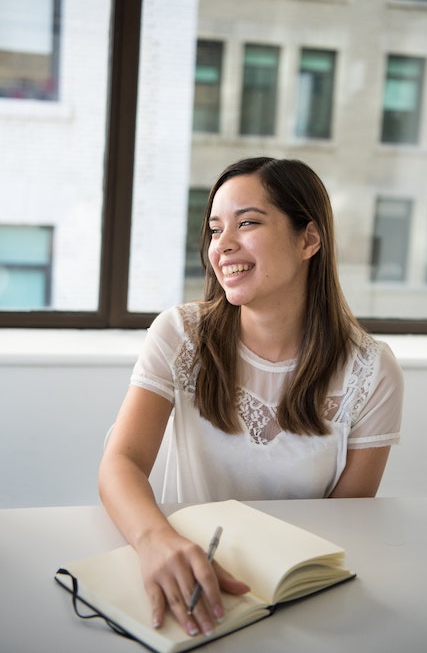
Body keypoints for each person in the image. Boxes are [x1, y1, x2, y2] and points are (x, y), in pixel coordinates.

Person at [98, 157, 403, 639]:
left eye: (248, 223)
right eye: (216, 230)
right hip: (189, 581)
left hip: (300, 601)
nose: (224, 246)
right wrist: (156, 541)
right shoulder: (180, 334)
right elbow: (121, 461)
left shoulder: (371, 369)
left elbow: (349, 520)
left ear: (309, 239)